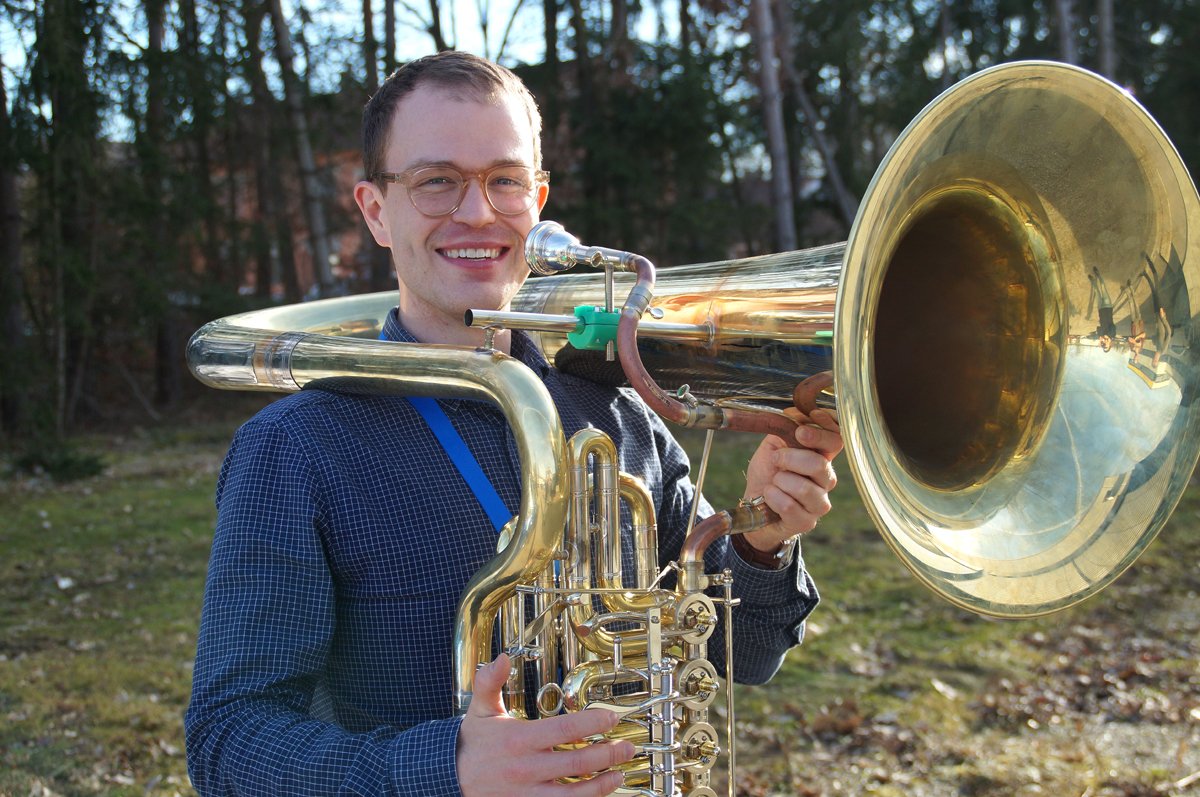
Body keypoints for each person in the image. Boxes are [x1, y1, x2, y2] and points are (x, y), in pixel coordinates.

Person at [185, 51, 842, 797]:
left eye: (505, 180)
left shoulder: (615, 410)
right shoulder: (295, 447)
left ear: (540, 199)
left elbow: (743, 654)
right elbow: (229, 741)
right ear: (374, 210)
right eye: (436, 181)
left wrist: (761, 538)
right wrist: (447, 769)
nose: (477, 212)